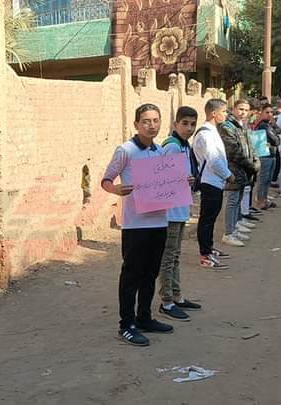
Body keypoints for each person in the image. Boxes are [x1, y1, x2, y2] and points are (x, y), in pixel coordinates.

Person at [102, 103, 173, 347]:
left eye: (156, 120)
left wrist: (181, 181)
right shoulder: (126, 150)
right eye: (146, 121)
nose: (151, 125)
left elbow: (167, 181)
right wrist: (116, 189)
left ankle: (144, 317)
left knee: (151, 273)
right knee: (132, 274)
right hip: (136, 225)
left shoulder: (160, 151)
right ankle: (126, 325)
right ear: (136, 124)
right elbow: (106, 179)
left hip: (159, 221)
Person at [157, 106, 203, 322]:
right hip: (170, 211)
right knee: (168, 258)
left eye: (193, 124)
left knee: (175, 256)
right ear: (175, 124)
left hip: (180, 207)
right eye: (185, 123)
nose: (189, 128)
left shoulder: (184, 146)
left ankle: (177, 296)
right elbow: (158, 178)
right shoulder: (172, 146)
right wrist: (182, 180)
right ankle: (167, 301)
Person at [192, 99, 234, 269]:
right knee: (207, 219)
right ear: (214, 113)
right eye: (224, 111)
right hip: (209, 181)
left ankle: (209, 248)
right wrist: (228, 175)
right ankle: (205, 255)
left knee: (211, 217)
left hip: (216, 181)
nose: (226, 115)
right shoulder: (205, 134)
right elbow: (214, 160)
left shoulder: (213, 131)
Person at [218, 100, 256, 248]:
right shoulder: (227, 126)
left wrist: (254, 161)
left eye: (246, 110)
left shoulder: (241, 125)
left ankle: (235, 227)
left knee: (239, 198)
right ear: (233, 109)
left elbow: (249, 146)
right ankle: (228, 233)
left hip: (243, 169)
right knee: (233, 200)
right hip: (234, 168)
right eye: (240, 109)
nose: (243, 112)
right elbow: (233, 151)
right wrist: (250, 164)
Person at [252, 103, 280, 210]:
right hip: (265, 155)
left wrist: (274, 130)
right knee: (263, 179)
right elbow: (275, 140)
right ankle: (260, 201)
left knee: (268, 179)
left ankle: (264, 199)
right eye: (267, 112)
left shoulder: (269, 124)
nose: (269, 114)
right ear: (261, 113)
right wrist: (275, 138)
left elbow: (279, 131)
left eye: (271, 112)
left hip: (271, 154)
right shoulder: (263, 125)